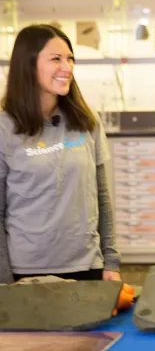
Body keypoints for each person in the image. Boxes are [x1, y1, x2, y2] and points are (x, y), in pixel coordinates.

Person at [0, 24, 121, 284]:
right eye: (56, 59)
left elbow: (102, 197)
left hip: (86, 263)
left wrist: (110, 261)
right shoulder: (4, 128)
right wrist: (3, 279)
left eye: (70, 58)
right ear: (28, 65)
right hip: (27, 270)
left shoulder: (88, 122)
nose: (67, 67)